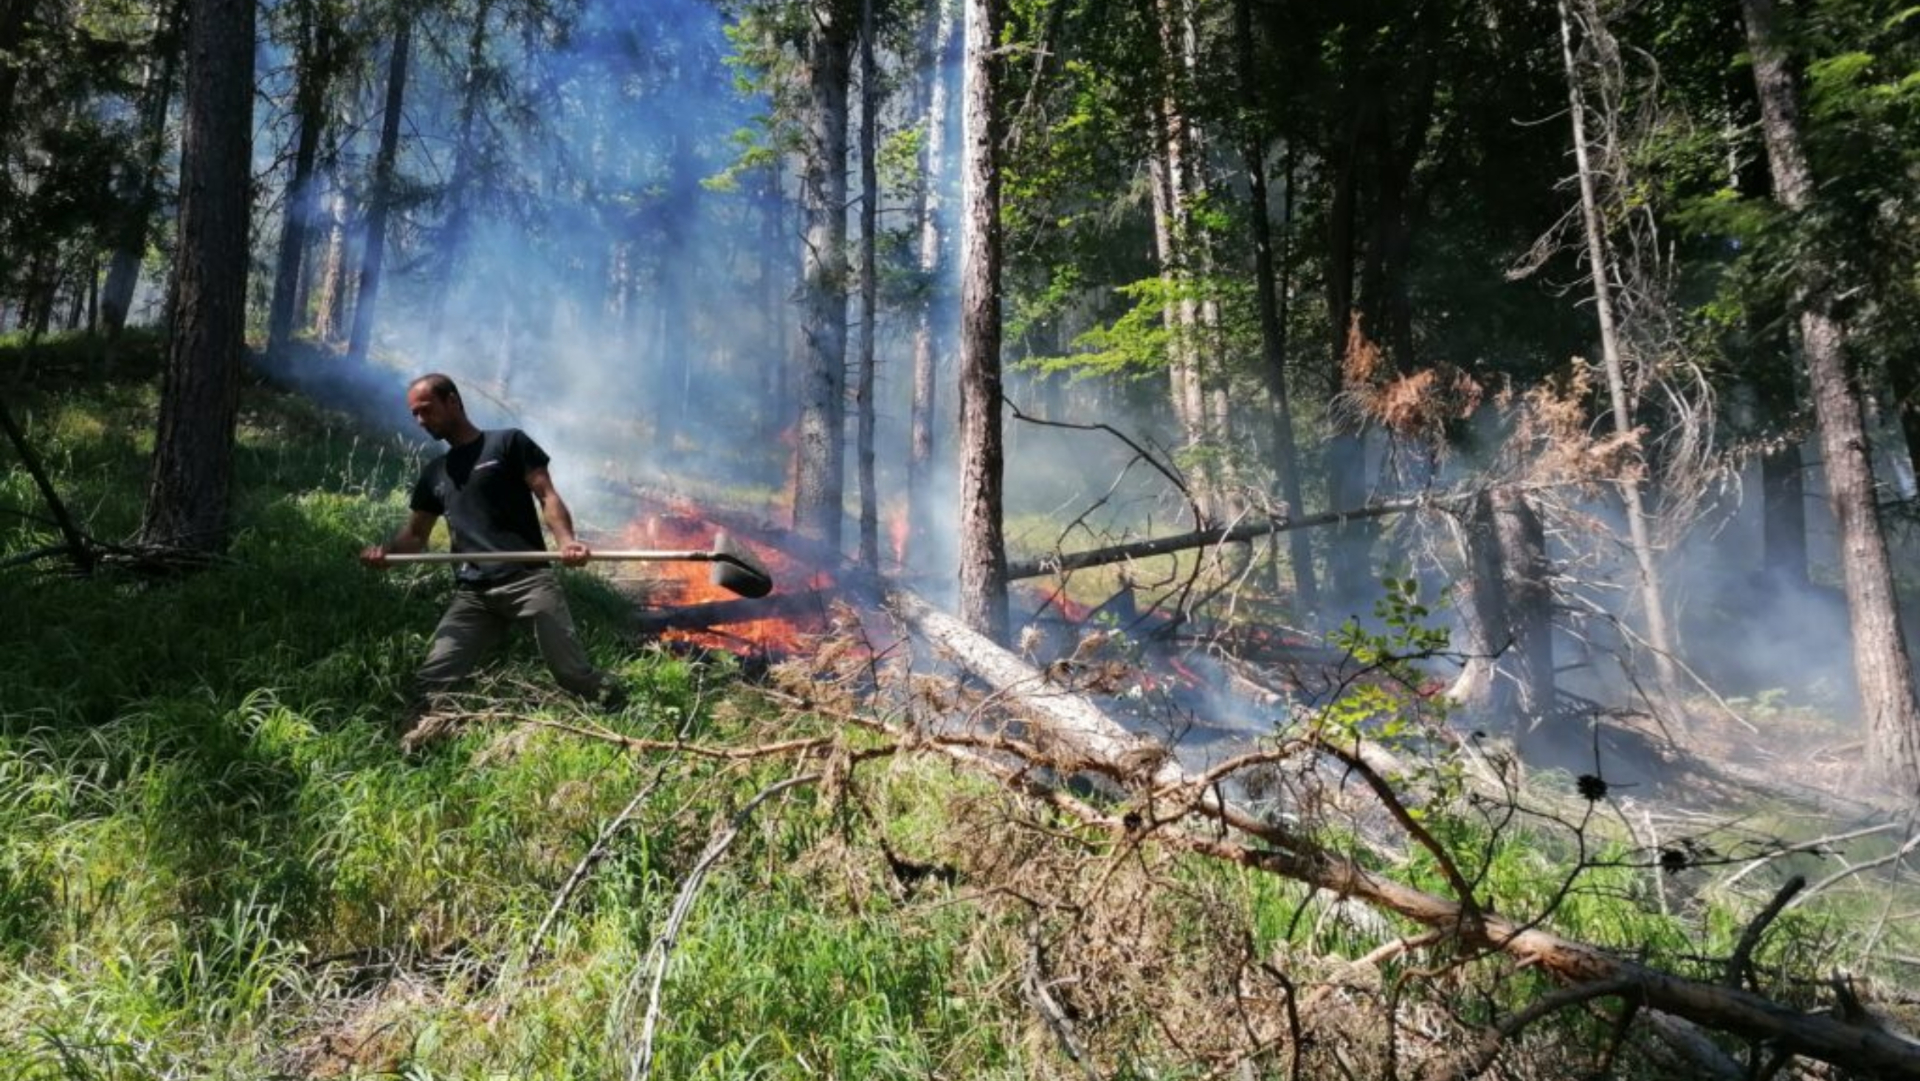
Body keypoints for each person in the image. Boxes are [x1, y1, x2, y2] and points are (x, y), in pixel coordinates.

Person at [361, 373, 624, 713]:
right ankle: (414, 740)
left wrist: (567, 541)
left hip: (528, 581)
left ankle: (622, 707)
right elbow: (414, 535)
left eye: (426, 410)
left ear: (452, 401)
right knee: (431, 681)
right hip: (473, 595)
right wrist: (386, 554)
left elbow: (547, 496)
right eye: (415, 414)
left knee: (572, 674)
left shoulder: (507, 444)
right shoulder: (435, 473)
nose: (421, 420)